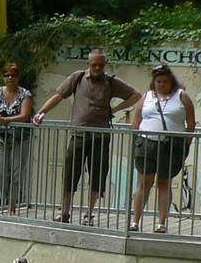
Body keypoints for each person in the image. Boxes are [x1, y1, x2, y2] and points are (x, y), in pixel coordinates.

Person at [32, 49, 141, 225]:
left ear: (105, 64)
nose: (97, 68)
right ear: (88, 64)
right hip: (79, 134)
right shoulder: (78, 77)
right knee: (70, 174)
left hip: (100, 136)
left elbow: (136, 95)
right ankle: (65, 212)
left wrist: (114, 110)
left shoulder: (110, 81)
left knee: (97, 176)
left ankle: (88, 214)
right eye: (94, 65)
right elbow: (59, 95)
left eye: (101, 65)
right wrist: (41, 112)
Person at [128, 64, 195, 233]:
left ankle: (161, 223)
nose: (161, 84)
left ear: (171, 81)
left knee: (164, 182)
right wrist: (136, 140)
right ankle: (135, 221)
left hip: (170, 145)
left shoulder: (182, 96)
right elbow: (136, 120)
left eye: (165, 81)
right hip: (147, 142)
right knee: (144, 182)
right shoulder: (147, 97)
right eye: (158, 81)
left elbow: (191, 123)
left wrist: (186, 143)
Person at [0, 61, 33, 213]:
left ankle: (12, 205)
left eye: (13, 75)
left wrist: (6, 120)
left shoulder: (25, 94)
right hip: (1, 138)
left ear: (18, 77)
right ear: (3, 77)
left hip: (20, 138)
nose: (10, 78)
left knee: (17, 173)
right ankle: (5, 200)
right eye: (7, 75)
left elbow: (24, 115)